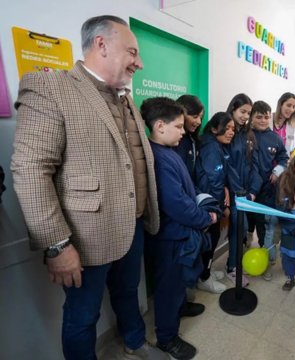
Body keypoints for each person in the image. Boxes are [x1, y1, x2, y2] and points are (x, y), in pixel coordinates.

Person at [11, 15, 167, 359]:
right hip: (85, 237)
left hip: (133, 226)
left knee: (128, 292)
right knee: (83, 316)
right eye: (132, 52)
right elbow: (31, 169)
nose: (139, 62)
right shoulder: (50, 87)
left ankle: (135, 340)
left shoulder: (125, 99)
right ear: (101, 45)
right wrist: (57, 245)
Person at [140, 97, 217, 360]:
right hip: (169, 237)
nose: (184, 132)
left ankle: (181, 308)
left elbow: (188, 189)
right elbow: (177, 204)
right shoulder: (158, 159)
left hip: (179, 234)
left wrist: (204, 203)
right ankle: (167, 338)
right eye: (179, 126)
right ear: (160, 126)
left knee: (177, 285)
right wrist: (205, 219)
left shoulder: (170, 152)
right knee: (168, 288)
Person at [195, 112, 241, 292]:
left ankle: (206, 272)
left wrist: (226, 189)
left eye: (233, 129)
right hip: (210, 204)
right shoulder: (211, 147)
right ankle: (204, 279)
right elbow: (214, 180)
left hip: (212, 200)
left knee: (211, 242)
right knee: (209, 242)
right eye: (227, 128)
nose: (231, 132)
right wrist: (222, 208)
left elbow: (219, 178)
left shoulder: (215, 145)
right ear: (214, 128)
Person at [247, 100, 289, 274]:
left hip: (268, 190)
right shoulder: (245, 135)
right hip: (247, 189)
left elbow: (284, 158)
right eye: (259, 117)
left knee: (264, 224)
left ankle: (267, 256)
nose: (263, 121)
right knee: (248, 223)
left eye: (266, 117)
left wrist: (277, 171)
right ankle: (245, 249)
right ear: (251, 117)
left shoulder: (275, 138)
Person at [225, 94, 262, 282]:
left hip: (247, 194)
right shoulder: (227, 132)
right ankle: (233, 268)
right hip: (233, 193)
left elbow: (254, 165)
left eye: (248, 112)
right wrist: (238, 191)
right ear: (233, 109)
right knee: (240, 229)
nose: (245, 116)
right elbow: (227, 167)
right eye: (242, 111)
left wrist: (253, 191)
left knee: (239, 230)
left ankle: (233, 265)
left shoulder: (249, 134)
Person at [175, 94, 204, 180]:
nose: (199, 122)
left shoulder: (192, 139)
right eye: (195, 117)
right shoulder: (173, 142)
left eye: (201, 118)